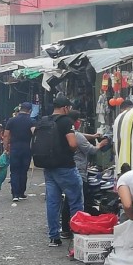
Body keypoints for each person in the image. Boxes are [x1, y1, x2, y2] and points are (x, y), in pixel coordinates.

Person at [41, 96, 83, 247]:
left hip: (48, 168)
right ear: (65, 108)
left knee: (53, 203)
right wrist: (73, 148)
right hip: (65, 167)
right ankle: (78, 235)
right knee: (76, 200)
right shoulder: (66, 121)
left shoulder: (44, 120)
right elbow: (72, 143)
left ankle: (54, 237)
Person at [60, 110, 109, 238]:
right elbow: (91, 150)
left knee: (68, 199)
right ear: (75, 121)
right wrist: (101, 144)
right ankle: (76, 227)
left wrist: (93, 136)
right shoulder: (76, 135)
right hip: (78, 171)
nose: (79, 123)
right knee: (78, 200)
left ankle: (65, 227)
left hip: (65, 169)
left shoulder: (65, 132)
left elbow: (80, 135)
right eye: (78, 121)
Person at [3, 102, 35, 202]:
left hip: (15, 148)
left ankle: (15, 194)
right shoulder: (31, 121)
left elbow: (6, 135)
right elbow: (35, 134)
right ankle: (21, 193)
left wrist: (6, 148)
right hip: (26, 149)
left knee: (15, 171)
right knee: (23, 171)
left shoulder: (12, 120)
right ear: (29, 110)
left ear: (20, 109)